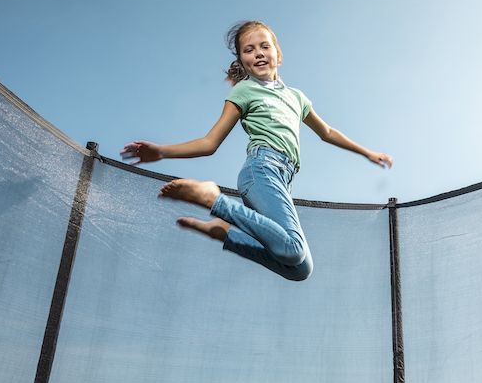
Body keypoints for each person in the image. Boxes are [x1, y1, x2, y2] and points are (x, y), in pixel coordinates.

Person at [120, 20, 392, 281]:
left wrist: (367, 152)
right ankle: (213, 199)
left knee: (300, 269)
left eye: (264, 46)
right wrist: (162, 151)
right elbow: (210, 142)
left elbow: (328, 132)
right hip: (261, 170)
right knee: (293, 249)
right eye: (248, 50)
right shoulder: (244, 91)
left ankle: (225, 232)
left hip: (282, 179)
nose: (258, 53)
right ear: (242, 62)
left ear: (278, 53)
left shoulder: (296, 96)